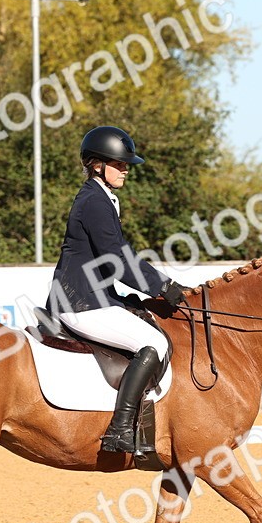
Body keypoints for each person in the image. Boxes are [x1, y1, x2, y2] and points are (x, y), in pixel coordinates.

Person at [47, 126, 189, 454]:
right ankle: (119, 430)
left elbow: (108, 262)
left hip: (95, 296)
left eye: (126, 163)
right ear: (98, 164)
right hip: (78, 302)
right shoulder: (94, 201)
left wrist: (135, 296)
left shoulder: (102, 197)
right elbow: (119, 259)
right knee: (153, 342)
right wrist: (162, 286)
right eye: (119, 163)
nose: (126, 168)